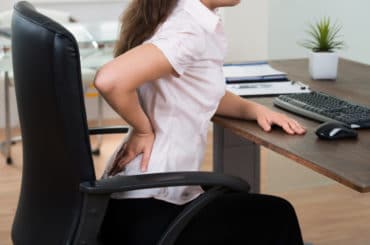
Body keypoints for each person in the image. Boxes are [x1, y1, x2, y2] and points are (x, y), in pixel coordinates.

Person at [94, 0, 306, 244]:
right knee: (278, 215)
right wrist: (143, 130)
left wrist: (253, 109)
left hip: (126, 201)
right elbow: (111, 80)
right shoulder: (188, 29)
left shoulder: (177, 15)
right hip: (152, 208)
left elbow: (198, 90)